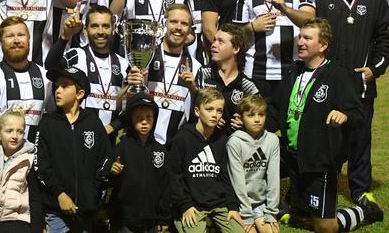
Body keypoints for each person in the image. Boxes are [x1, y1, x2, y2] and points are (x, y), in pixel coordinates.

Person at [269, 18, 381, 232]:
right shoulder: (292, 72)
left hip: (320, 162)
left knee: (325, 227)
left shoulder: (339, 75)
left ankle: (365, 211)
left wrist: (344, 115)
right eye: (300, 37)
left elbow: (358, 114)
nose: (300, 42)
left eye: (307, 38)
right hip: (292, 156)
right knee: (299, 212)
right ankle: (293, 202)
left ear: (323, 46)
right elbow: (275, 111)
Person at [314, 0, 389, 208]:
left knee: (361, 140)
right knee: (326, 137)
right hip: (326, 83)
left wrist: (375, 68)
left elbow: (388, 38)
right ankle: (324, 183)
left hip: (361, 85)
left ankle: (360, 190)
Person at [34, 66, 111, 232]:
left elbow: (105, 160)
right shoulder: (47, 123)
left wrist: (92, 194)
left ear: (80, 94)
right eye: (56, 86)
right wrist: (60, 195)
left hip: (86, 213)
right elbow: (40, 165)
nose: (58, 90)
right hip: (56, 212)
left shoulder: (93, 123)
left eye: (65, 85)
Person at [44, 5, 129, 136]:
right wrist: (64, 37)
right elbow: (50, 64)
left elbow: (130, 106)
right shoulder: (76, 55)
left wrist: (112, 127)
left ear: (113, 30)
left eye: (106, 26)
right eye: (94, 26)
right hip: (76, 136)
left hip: (108, 139)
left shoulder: (124, 64)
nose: (100, 31)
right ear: (85, 30)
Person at [169, 88, 244, 233]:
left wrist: (233, 206)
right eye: (209, 109)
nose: (215, 115)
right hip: (192, 205)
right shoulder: (182, 139)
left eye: (219, 111)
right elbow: (174, 178)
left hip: (219, 203)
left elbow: (226, 177)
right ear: (197, 111)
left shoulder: (222, 140)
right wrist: (185, 205)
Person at [127, 4, 201, 145]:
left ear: (190, 30)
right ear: (164, 24)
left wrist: (193, 89)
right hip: (140, 145)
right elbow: (125, 103)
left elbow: (197, 113)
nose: (178, 27)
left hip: (174, 147)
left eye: (184, 24)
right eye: (173, 22)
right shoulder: (145, 57)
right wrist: (128, 84)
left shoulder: (196, 67)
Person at [108, 93, 171, 233]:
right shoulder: (120, 148)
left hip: (152, 221)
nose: (144, 122)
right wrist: (111, 171)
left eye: (149, 117)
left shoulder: (161, 152)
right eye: (138, 117)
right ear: (130, 120)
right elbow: (106, 182)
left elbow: (167, 186)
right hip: (123, 220)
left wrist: (164, 218)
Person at [0, 16, 51, 143]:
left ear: (29, 39)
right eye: (10, 36)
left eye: (21, 35)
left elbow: (53, 117)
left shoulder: (45, 76)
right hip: (2, 157)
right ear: (0, 41)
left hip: (37, 156)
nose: (16, 40)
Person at [0, 109, 43, 233]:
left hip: (19, 223)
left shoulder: (29, 159)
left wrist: (37, 228)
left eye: (20, 132)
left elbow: (35, 198)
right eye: (9, 131)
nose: (15, 136)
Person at [226, 95, 280, 233]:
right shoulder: (234, 142)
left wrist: (271, 212)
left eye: (261, 114)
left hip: (260, 203)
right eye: (251, 115)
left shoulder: (272, 140)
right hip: (239, 204)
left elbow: (274, 178)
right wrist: (246, 215)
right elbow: (237, 181)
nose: (257, 119)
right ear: (241, 118)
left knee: (272, 232)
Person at [195, 23, 259, 133]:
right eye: (214, 40)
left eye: (220, 41)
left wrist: (245, 123)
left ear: (235, 49)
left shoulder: (247, 85)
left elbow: (258, 117)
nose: (213, 45)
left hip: (235, 144)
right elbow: (196, 107)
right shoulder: (204, 73)